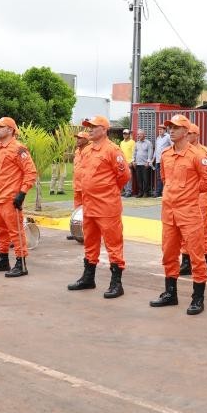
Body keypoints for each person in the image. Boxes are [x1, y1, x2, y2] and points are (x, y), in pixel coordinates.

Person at [149, 115, 207, 313]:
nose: (171, 130)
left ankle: (198, 298)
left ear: (186, 132)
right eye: (169, 127)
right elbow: (165, 178)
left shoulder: (197, 155)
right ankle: (170, 293)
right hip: (169, 212)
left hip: (189, 212)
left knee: (197, 255)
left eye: (175, 127)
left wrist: (192, 190)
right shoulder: (165, 154)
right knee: (169, 253)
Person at [67, 115, 131, 298]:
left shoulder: (113, 150)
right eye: (88, 126)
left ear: (104, 129)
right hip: (89, 205)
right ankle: (88, 277)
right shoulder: (87, 151)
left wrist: (109, 191)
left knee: (113, 244)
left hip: (107, 206)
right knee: (90, 242)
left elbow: (124, 176)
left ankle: (116, 283)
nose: (89, 129)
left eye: (94, 126)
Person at [0, 117, 37, 278]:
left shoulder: (18, 148)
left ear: (10, 130)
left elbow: (30, 172)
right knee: (1, 230)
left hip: (11, 197)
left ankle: (21, 263)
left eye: (1, 127)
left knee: (16, 231)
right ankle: (3, 259)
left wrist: (21, 193)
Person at [179, 123, 207, 277]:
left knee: (202, 233)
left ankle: (206, 264)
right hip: (184, 199)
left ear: (197, 135)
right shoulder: (180, 151)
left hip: (201, 199)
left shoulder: (206, 154)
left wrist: (200, 190)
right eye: (186, 133)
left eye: (190, 133)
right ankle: (186, 263)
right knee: (184, 232)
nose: (187, 136)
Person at [66, 130, 89, 241]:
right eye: (77, 138)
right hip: (77, 185)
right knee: (77, 211)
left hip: (86, 186)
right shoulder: (76, 152)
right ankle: (76, 231)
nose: (77, 140)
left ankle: (88, 232)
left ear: (86, 140)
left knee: (87, 211)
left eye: (80, 138)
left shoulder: (89, 151)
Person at [133, 128, 154, 197]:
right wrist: (134, 161)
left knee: (146, 179)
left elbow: (150, 153)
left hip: (145, 164)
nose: (138, 135)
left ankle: (146, 193)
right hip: (138, 164)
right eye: (138, 134)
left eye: (140, 134)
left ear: (144, 135)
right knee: (139, 179)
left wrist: (148, 162)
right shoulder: (136, 143)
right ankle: (140, 192)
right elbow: (134, 153)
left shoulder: (148, 143)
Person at [153, 125, 171, 196]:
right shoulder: (158, 138)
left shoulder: (168, 137)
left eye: (161, 129)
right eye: (159, 129)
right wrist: (152, 159)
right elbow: (156, 149)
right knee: (158, 177)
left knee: (165, 176)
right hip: (158, 160)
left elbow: (172, 146)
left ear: (165, 130)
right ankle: (158, 192)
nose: (160, 131)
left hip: (165, 160)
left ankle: (165, 192)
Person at [119, 128, 135, 196]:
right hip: (123, 163)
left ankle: (129, 191)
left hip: (129, 162)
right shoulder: (121, 143)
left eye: (126, 134)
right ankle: (125, 190)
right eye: (124, 134)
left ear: (129, 134)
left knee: (129, 177)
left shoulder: (132, 142)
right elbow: (120, 152)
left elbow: (134, 152)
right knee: (124, 177)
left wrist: (132, 162)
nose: (125, 135)